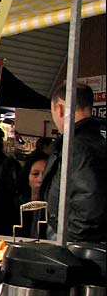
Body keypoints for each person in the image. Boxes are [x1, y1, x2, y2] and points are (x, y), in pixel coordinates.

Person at [39, 82, 106, 242]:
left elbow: (88, 210)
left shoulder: (76, 147)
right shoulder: (97, 142)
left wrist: (67, 242)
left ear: (60, 109)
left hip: (72, 246)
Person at [19, 149, 48, 237]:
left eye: (45, 174)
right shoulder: (18, 206)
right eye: (35, 174)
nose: (40, 179)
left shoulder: (51, 211)